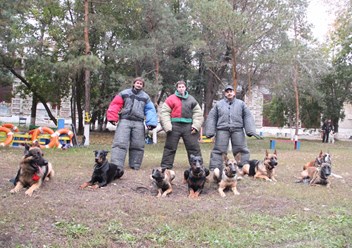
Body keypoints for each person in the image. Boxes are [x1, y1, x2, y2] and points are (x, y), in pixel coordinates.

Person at [107, 77, 158, 176]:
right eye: (137, 83)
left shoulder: (146, 97)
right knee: (120, 143)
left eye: (141, 84)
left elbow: (150, 110)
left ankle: (135, 164)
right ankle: (116, 165)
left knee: (138, 145)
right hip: (125, 120)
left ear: (143, 86)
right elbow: (115, 105)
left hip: (138, 122)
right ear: (134, 84)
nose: (139, 85)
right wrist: (113, 118)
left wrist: (151, 123)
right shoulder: (124, 93)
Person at [205, 85, 261, 171]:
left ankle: (243, 167)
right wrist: (209, 131)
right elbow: (212, 117)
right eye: (227, 92)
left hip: (237, 129)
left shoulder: (241, 104)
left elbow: (247, 116)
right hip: (222, 129)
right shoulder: (218, 104)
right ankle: (215, 168)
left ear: (234, 93)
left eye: (231, 91)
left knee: (241, 149)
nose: (229, 93)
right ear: (225, 93)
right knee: (219, 150)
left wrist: (250, 130)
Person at [159, 80, 204, 169]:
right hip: (174, 126)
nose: (181, 88)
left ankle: (198, 166)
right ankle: (166, 166)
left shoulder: (191, 99)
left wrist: (195, 126)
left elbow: (198, 113)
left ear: (185, 88)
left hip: (189, 126)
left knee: (193, 147)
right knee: (170, 147)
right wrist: (167, 126)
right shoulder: (171, 99)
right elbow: (164, 112)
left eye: (183, 87)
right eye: (179, 87)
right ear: (177, 88)